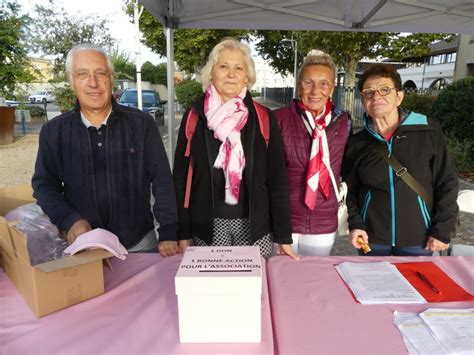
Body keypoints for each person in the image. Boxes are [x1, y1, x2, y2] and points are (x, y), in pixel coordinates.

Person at [32, 44, 181, 256]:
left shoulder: (142, 124)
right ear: (71, 80)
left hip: (139, 245)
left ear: (111, 78)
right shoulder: (53, 132)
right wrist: (70, 220)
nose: (93, 83)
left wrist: (168, 231)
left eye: (100, 73)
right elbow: (44, 185)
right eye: (83, 74)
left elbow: (162, 180)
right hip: (84, 248)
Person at [173, 38, 298, 259]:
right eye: (223, 66)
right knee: (215, 289)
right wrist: (183, 231)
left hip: (255, 228)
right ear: (212, 73)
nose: (231, 74)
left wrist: (283, 235)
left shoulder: (263, 117)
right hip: (208, 227)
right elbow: (181, 179)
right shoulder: (195, 116)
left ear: (247, 76)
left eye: (238, 68)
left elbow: (277, 179)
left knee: (251, 290)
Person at [342, 63, 458, 256]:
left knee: (416, 285)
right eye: (369, 92)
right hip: (372, 236)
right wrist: (356, 223)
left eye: (384, 90)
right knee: (373, 285)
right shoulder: (357, 143)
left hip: (419, 237)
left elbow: (446, 180)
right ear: (363, 100)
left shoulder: (427, 130)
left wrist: (443, 229)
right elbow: (350, 191)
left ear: (399, 96)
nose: (376, 96)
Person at [273, 50, 351, 256]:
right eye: (308, 82)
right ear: (299, 85)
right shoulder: (278, 118)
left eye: (324, 83)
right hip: (283, 219)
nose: (316, 90)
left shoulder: (343, 122)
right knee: (281, 276)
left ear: (333, 87)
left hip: (323, 221)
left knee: (313, 278)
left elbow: (351, 170)